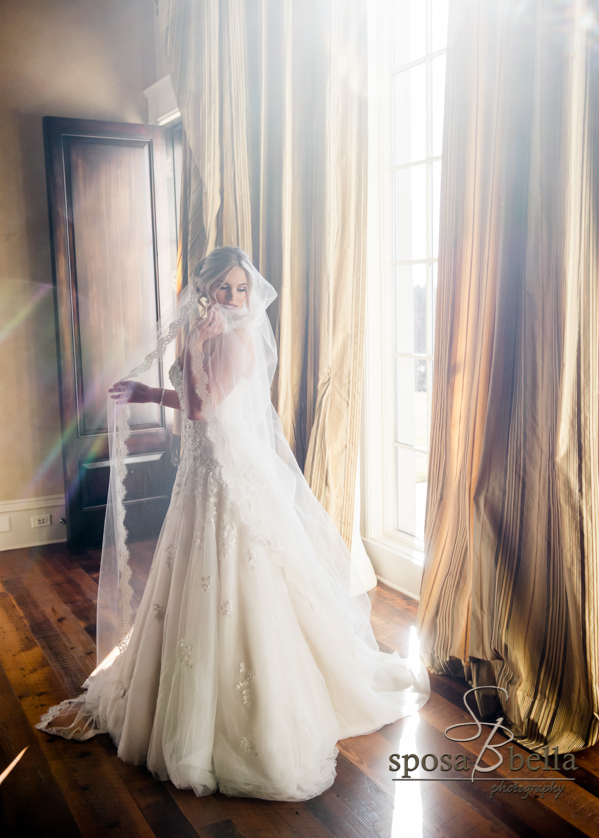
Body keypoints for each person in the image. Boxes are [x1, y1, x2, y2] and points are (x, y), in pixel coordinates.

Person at [35, 247, 429, 801]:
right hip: (199, 475)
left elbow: (201, 408)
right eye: (224, 288)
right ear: (204, 289)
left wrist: (196, 345)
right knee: (186, 581)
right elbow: (196, 397)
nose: (234, 299)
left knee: (243, 584)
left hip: (227, 478)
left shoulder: (237, 338)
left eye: (242, 290)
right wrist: (148, 391)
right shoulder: (202, 330)